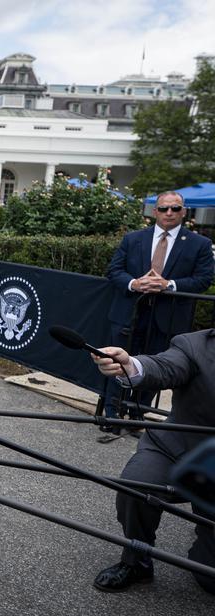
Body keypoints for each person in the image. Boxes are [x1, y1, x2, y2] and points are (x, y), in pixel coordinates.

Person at [90, 329, 215, 594]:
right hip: (177, 450)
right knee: (136, 487)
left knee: (210, 579)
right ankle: (137, 562)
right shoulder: (194, 345)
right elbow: (163, 366)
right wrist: (130, 365)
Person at [98, 191, 213, 442]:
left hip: (167, 320)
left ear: (184, 211)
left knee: (153, 367)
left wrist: (169, 285)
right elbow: (114, 270)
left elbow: (203, 280)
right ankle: (111, 416)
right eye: (163, 209)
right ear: (155, 212)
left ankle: (137, 415)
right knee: (116, 364)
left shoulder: (199, 244)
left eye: (175, 208)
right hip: (129, 314)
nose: (169, 213)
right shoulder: (133, 239)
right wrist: (134, 284)